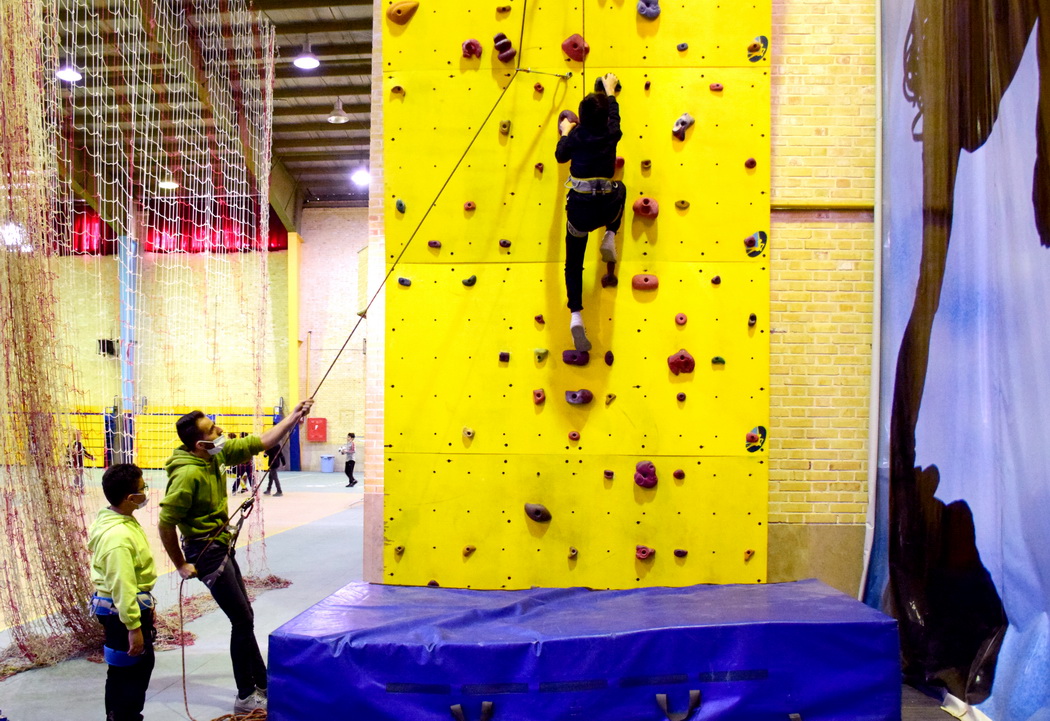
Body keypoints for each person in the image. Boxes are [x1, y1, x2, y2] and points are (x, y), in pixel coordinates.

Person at [158, 400, 313, 714]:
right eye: (213, 430)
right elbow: (166, 523)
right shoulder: (187, 476)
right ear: (201, 444)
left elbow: (263, 441)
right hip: (205, 553)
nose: (221, 431)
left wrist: (293, 418)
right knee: (241, 620)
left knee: (246, 619)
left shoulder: (216, 454)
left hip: (221, 546)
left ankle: (263, 685)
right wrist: (181, 564)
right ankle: (246, 695)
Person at [555, 72, 626, 352]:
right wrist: (609, 92)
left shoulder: (576, 136)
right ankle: (610, 234)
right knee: (621, 188)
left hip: (580, 212)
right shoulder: (612, 132)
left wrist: (565, 130)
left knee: (574, 263)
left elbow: (561, 155)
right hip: (606, 206)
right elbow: (615, 116)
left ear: (581, 120)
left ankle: (575, 314)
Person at [88, 463, 157, 721]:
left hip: (128, 609)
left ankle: (120, 715)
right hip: (122, 614)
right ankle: (124, 716)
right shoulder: (117, 537)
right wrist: (133, 627)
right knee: (131, 671)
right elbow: (122, 584)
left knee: (124, 670)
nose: (145, 492)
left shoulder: (121, 519)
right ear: (130, 498)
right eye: (142, 489)